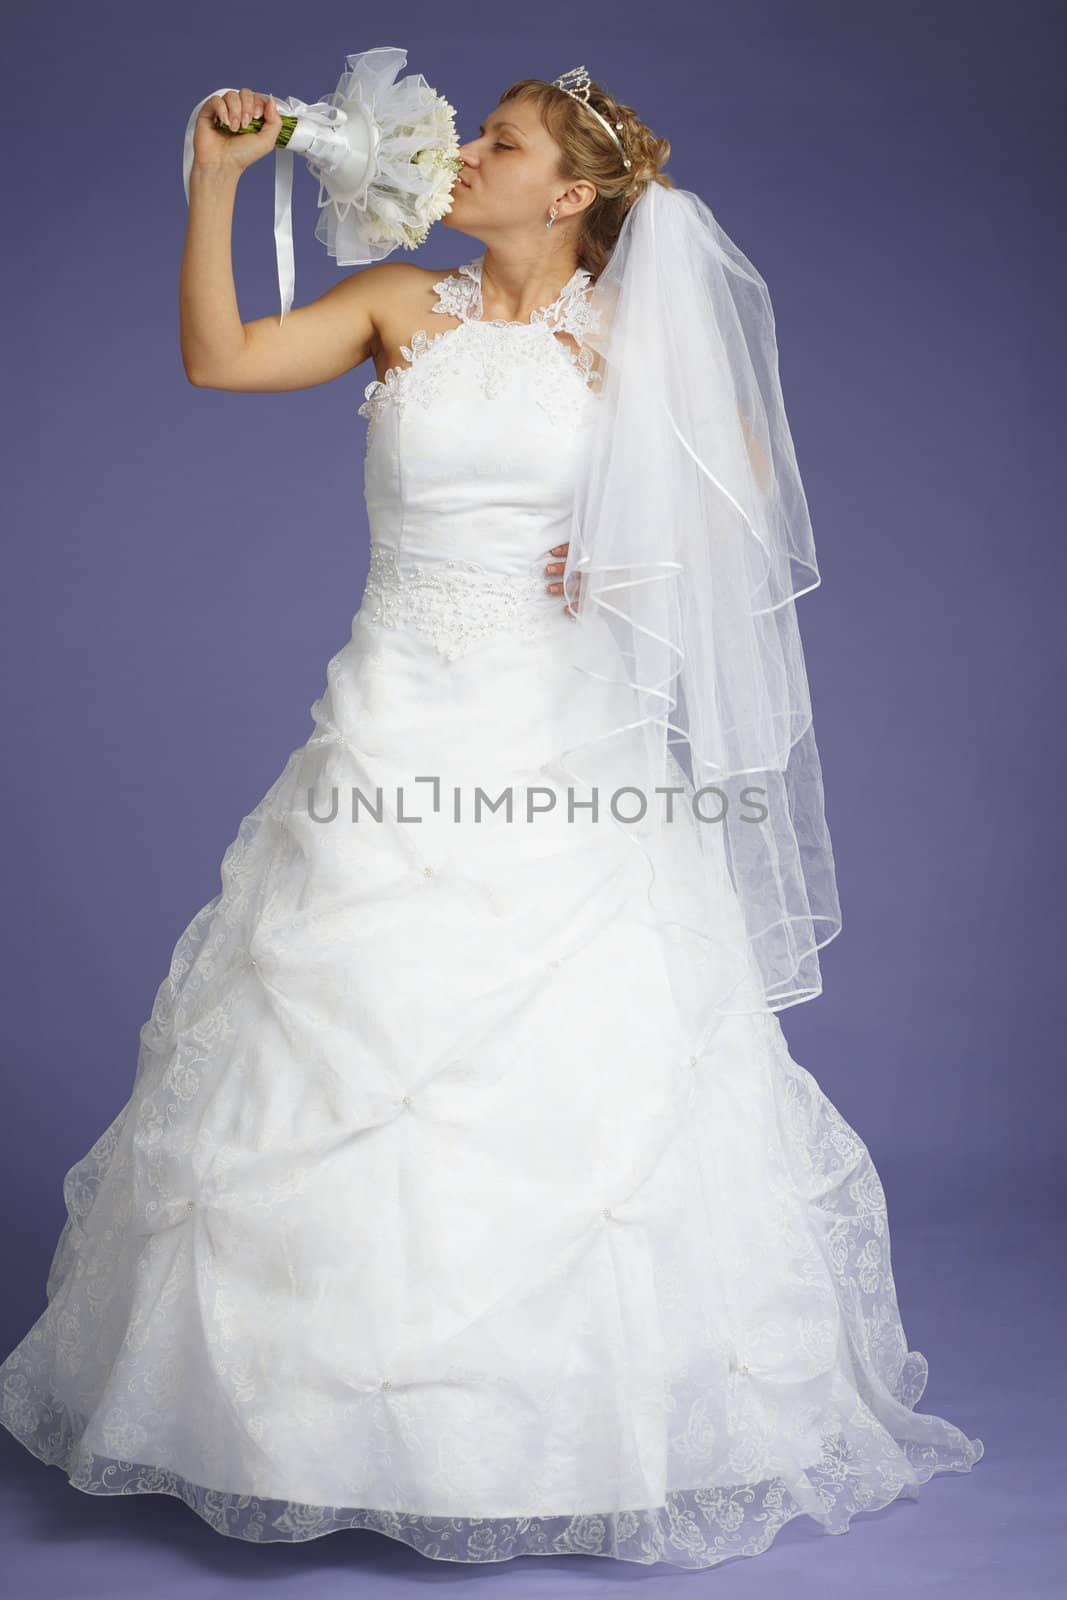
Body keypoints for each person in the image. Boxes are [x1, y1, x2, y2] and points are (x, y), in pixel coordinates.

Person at [0, 69, 984, 1569]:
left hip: (562, 739)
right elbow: (222, 359)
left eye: (499, 146)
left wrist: (624, 552)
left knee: (572, 1059)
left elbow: (746, 510)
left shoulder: (634, 346)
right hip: (389, 714)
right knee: (335, 1038)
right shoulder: (403, 303)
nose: (464, 156)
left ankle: (551, 1436)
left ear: (571, 194)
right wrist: (217, 185)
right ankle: (306, 1426)